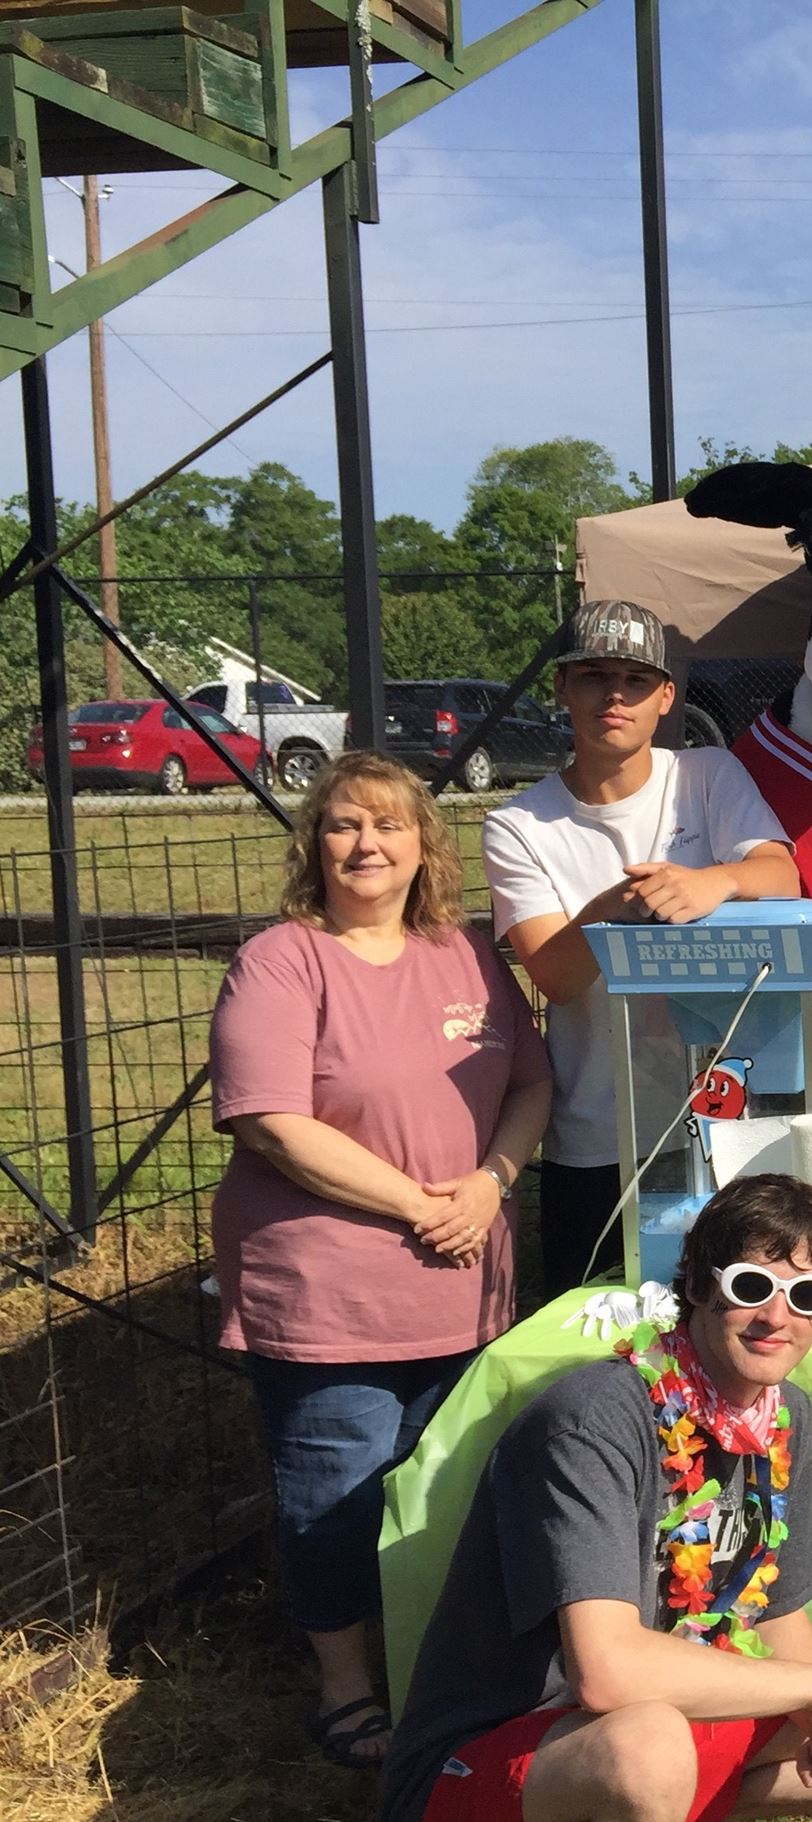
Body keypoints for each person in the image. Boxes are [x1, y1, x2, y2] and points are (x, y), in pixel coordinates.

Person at [381, 1174, 812, 1822]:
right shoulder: (592, 1421)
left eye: (807, 1295)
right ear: (696, 1285)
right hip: (491, 1757)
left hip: (649, 1723)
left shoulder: (779, 1412)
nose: (777, 1317)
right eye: (751, 1286)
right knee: (650, 1748)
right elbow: (607, 1675)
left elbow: (772, 1609)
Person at [211, 752, 551, 1769]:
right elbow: (271, 1122)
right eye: (344, 825)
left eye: (390, 825)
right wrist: (419, 1205)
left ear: (424, 845)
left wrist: (491, 1182)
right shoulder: (281, 961)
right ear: (315, 846)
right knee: (336, 1492)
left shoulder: (468, 954)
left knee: (445, 1484)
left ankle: (430, 1664)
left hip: (465, 1281)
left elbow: (531, 1083)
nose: (367, 845)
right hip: (331, 1294)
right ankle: (345, 1687)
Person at [483, 600, 800, 1295]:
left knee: (740, 1318)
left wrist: (715, 881)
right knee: (602, 1330)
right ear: (562, 689)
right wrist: (613, 908)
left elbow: (783, 876)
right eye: (594, 676)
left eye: (635, 679)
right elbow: (557, 977)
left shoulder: (707, 774)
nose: (615, 696)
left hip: (727, 1122)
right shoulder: (518, 824)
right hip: (599, 1136)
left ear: (666, 696)